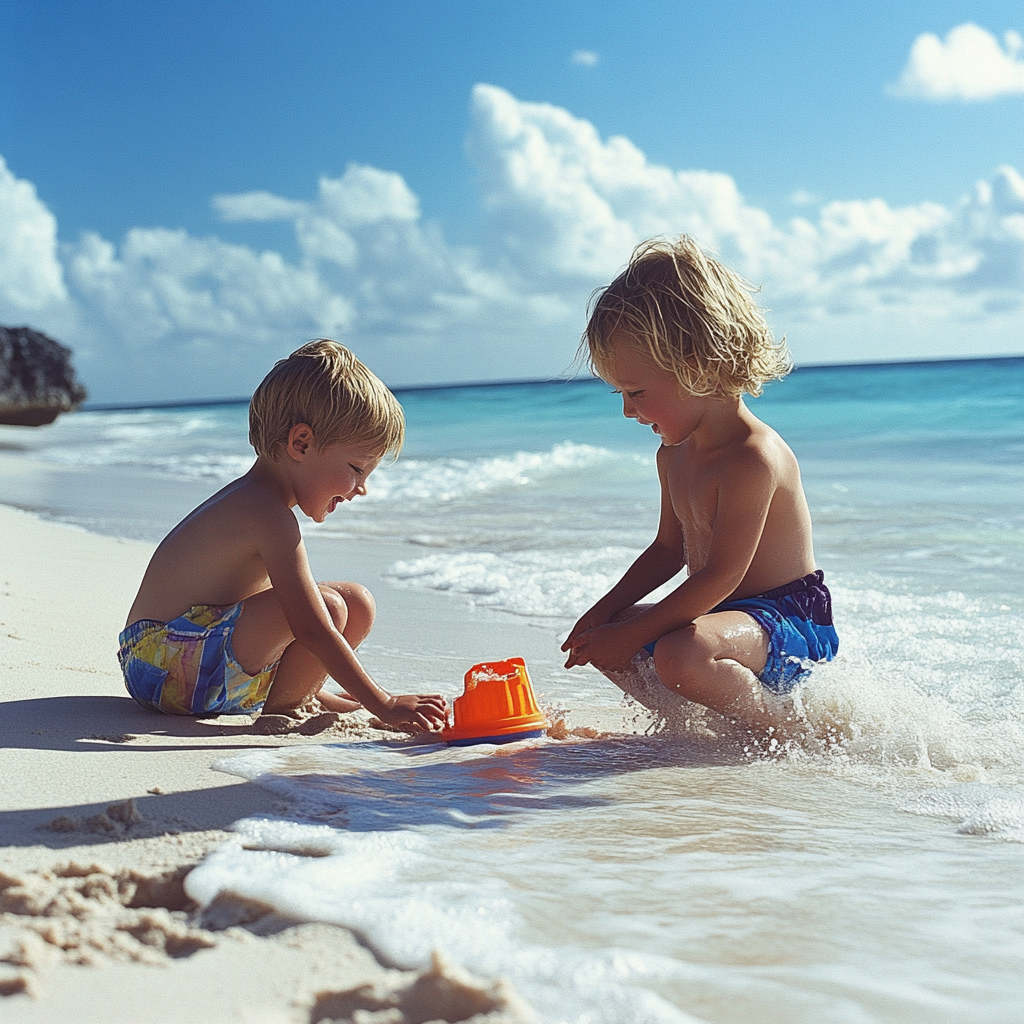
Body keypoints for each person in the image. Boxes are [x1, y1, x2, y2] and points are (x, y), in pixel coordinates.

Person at [561, 237, 838, 738]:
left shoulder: (752, 458)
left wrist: (633, 634)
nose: (627, 410)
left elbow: (721, 576)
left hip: (789, 624)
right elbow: (668, 550)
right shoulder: (673, 455)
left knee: (678, 650)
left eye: (637, 391)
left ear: (701, 366)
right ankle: (696, 731)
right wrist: (601, 618)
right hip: (726, 618)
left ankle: (780, 735)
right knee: (601, 639)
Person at [118, 340, 446, 733]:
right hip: (160, 664)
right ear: (301, 444)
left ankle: (299, 693)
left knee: (356, 602)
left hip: (186, 657)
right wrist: (385, 702)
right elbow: (309, 626)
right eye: (357, 468)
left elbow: (274, 618)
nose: (362, 488)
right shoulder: (263, 511)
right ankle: (282, 710)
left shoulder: (266, 505)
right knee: (330, 608)